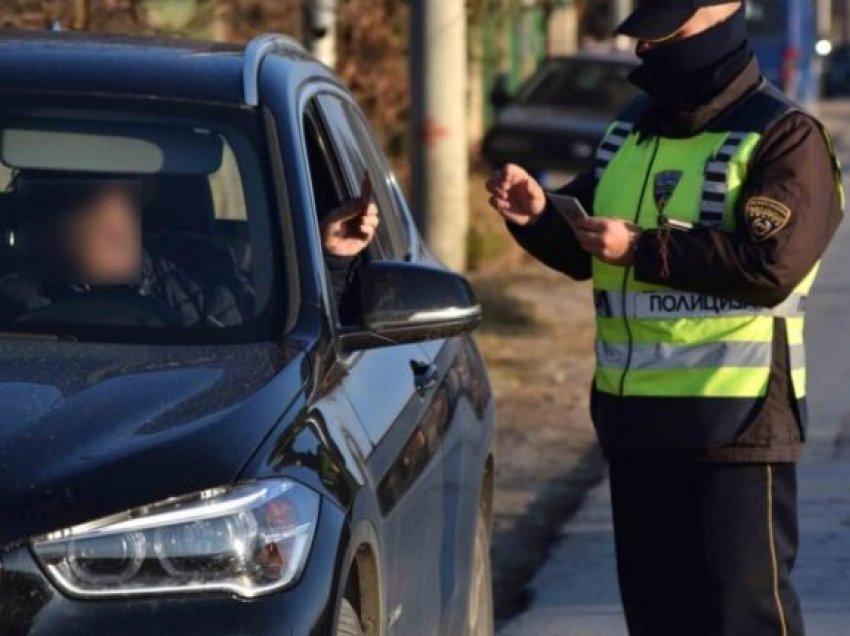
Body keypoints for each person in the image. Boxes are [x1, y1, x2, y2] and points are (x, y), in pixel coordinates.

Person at [487, 2, 844, 635]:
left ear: (723, 12)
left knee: (742, 622)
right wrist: (540, 216)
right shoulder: (631, 130)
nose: (646, 48)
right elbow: (587, 246)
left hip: (732, 429)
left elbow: (772, 267)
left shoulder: (785, 136)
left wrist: (644, 247)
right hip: (636, 428)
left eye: (665, 30)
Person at [0, 177, 378, 327]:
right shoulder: (13, 299)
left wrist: (328, 259)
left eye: (128, 195)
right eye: (81, 200)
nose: (113, 212)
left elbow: (300, 339)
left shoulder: (206, 270)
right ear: (43, 225)